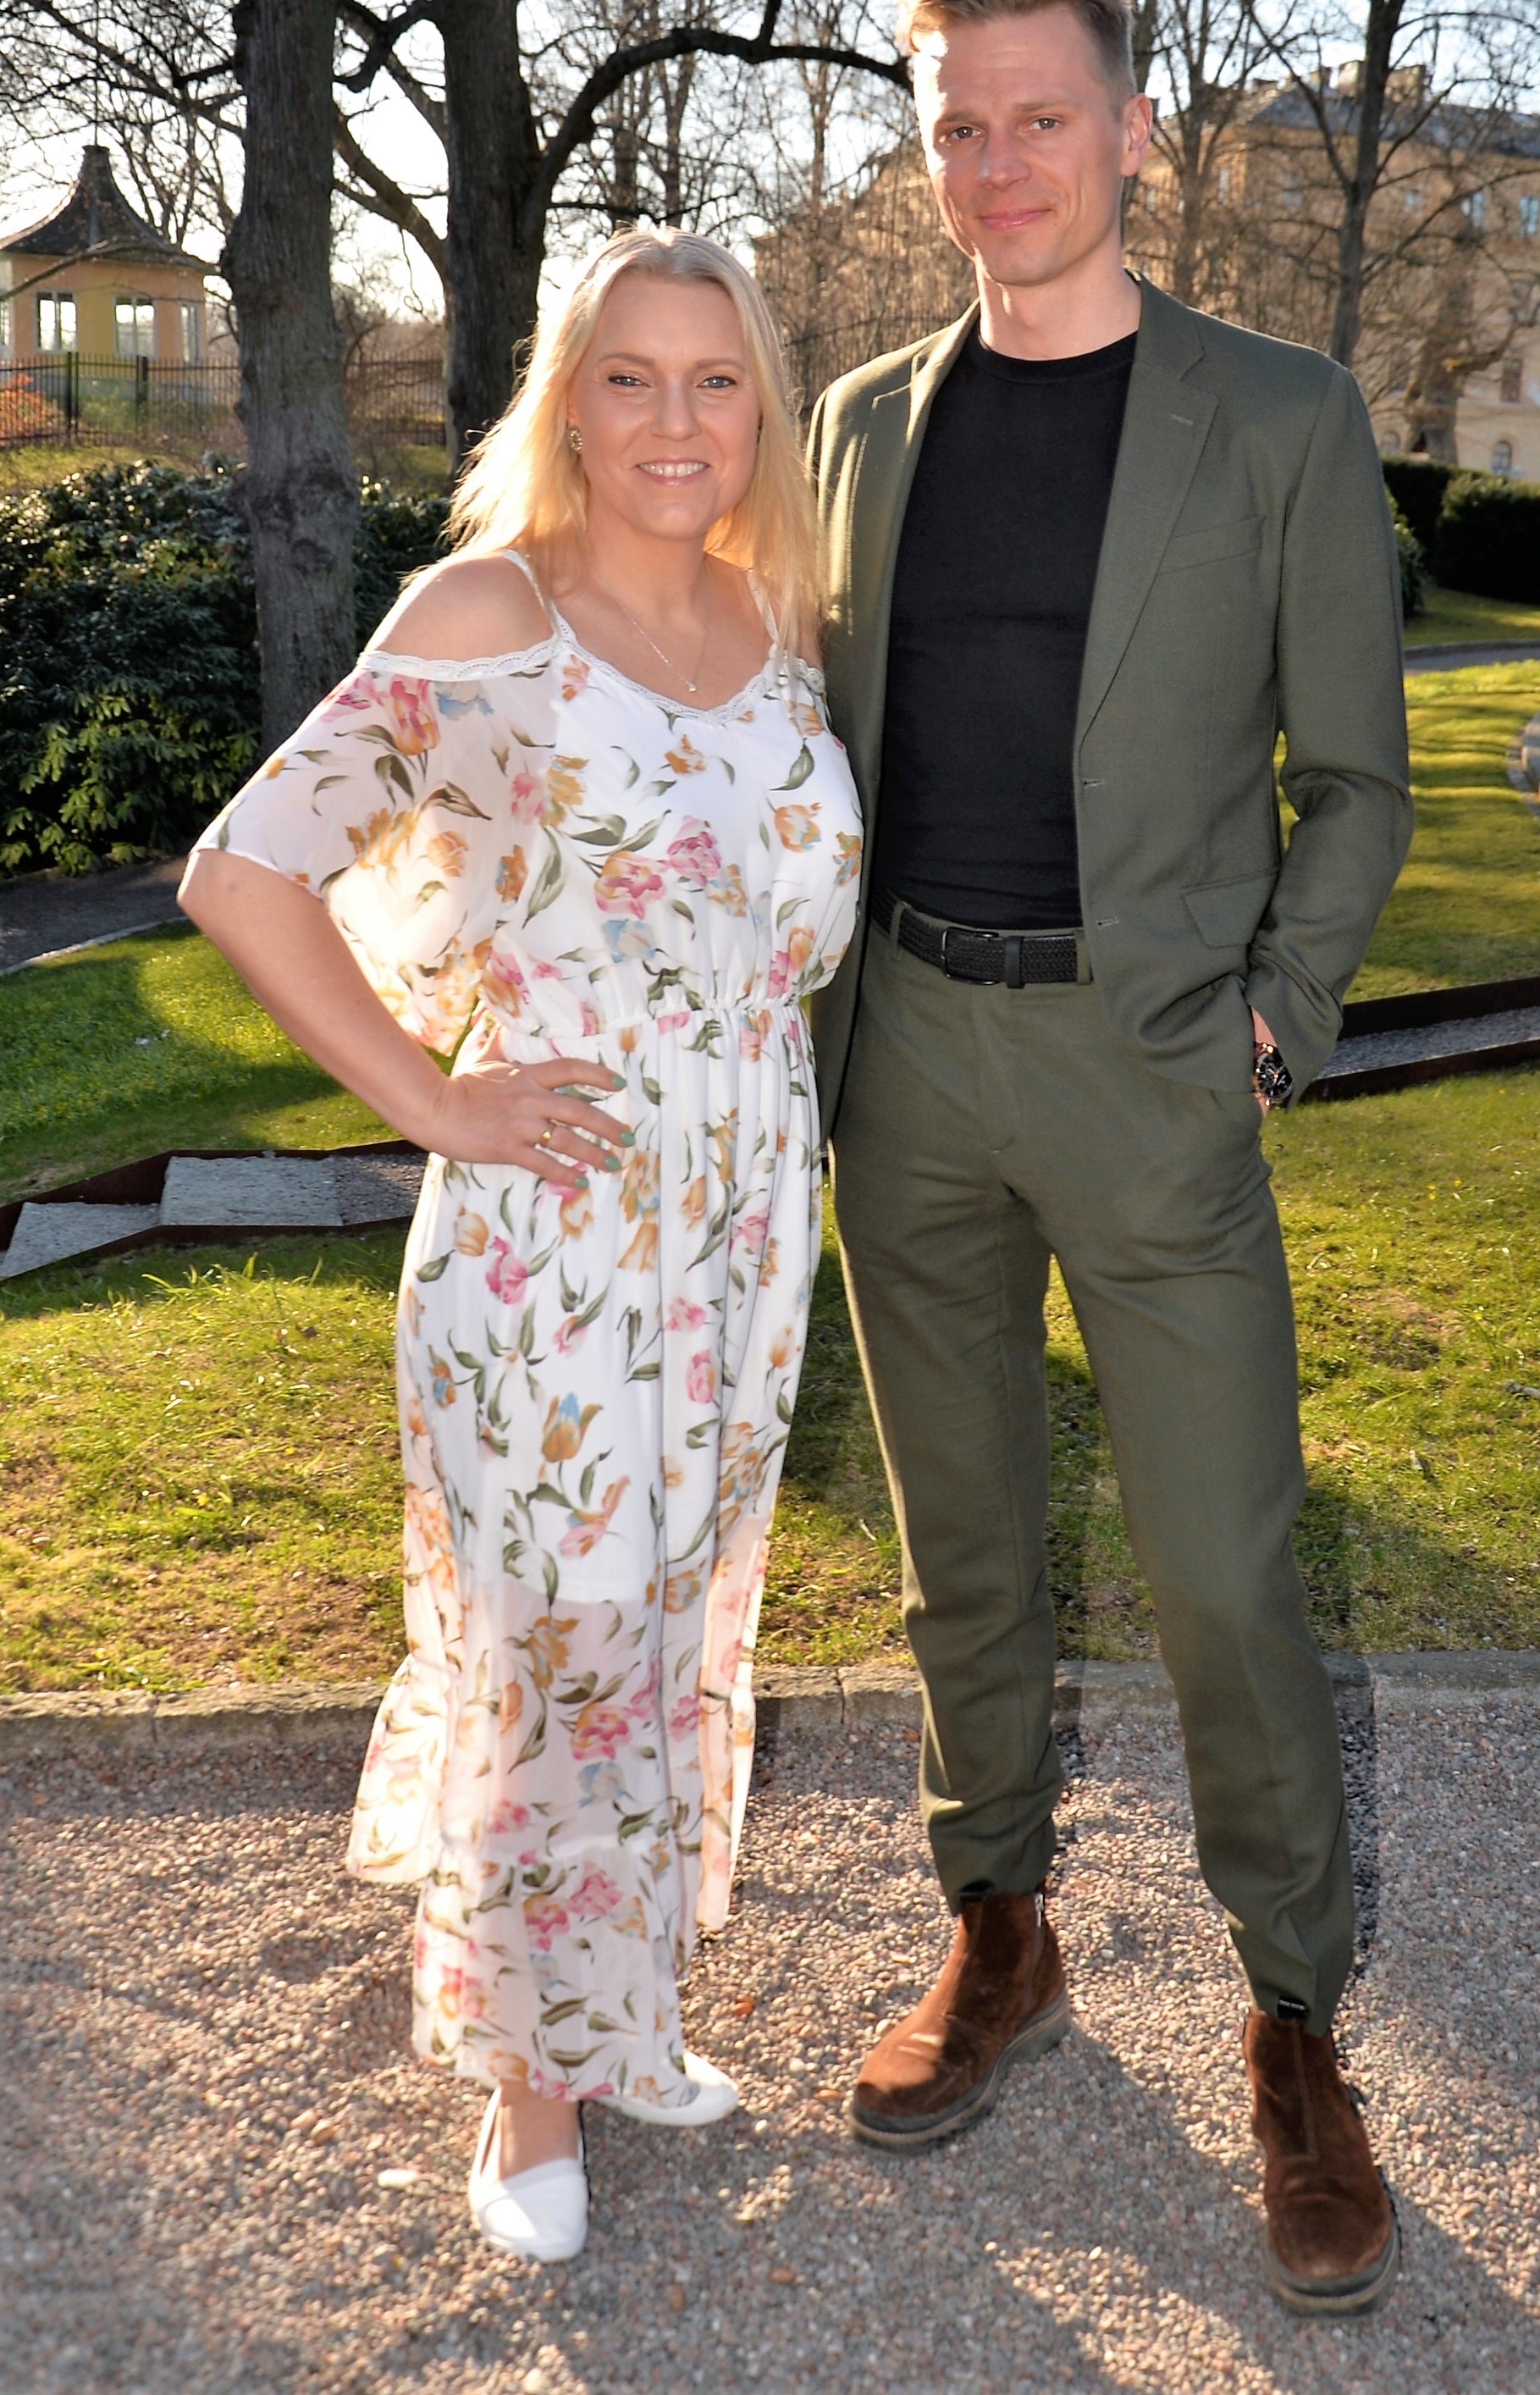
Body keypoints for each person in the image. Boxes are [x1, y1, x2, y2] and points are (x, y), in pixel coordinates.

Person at [806, 0, 1412, 2316]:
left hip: (1154, 1069)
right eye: (958, 125)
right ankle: (998, 1924)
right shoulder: (859, 423)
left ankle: (1292, 2022)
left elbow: (1357, 778)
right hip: (907, 1061)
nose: (997, 165)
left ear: (1132, 131)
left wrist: (1277, 1011)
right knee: (963, 1544)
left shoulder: (1277, 416)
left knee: (1225, 1572)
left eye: (1039, 117)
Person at [180, 229, 862, 2265]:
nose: (674, 419)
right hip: (549, 1239)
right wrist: (439, 1101)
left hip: (741, 1225)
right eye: (627, 377)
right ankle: (525, 2084)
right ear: (566, 404)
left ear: (761, 411)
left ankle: (619, 2015)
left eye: (715, 379)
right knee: (557, 1627)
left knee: (671, 1618)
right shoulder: (488, 614)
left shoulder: (773, 619)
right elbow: (245, 871)